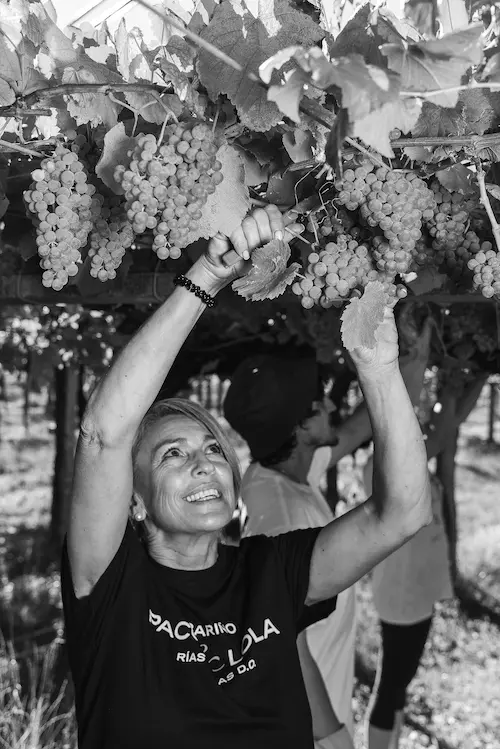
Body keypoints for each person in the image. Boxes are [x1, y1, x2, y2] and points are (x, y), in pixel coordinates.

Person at [61, 204, 431, 749]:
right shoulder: (111, 587)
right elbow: (102, 433)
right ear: (133, 500)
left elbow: (400, 514)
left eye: (213, 448)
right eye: (171, 455)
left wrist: (379, 372)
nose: (204, 462)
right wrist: (207, 277)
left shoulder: (272, 573)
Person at [223, 353, 356, 749]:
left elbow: (361, 428)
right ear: (299, 427)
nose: (332, 405)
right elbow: (283, 645)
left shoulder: (280, 475)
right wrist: (334, 740)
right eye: (320, 401)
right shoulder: (284, 520)